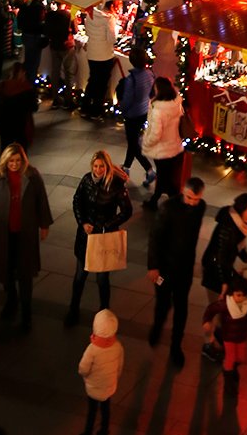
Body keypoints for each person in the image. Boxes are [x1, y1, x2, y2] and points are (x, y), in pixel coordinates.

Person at [0, 143, 54, 331]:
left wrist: (44, 225)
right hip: (3, 233)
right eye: (11, 161)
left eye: (18, 160)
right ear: (5, 161)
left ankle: (26, 311)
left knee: (25, 273)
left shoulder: (33, 177)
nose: (14, 164)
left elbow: (41, 200)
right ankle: (11, 302)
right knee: (6, 269)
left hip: (25, 233)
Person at [66, 151, 133, 326]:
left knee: (102, 279)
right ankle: (73, 309)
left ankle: (104, 313)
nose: (98, 170)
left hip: (104, 237)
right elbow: (77, 201)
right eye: (95, 166)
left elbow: (127, 211)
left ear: (107, 166)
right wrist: (82, 223)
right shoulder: (87, 180)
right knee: (80, 275)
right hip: (86, 236)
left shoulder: (116, 185)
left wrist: (105, 225)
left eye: (101, 166)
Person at [146, 176, 207, 368]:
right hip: (165, 268)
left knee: (181, 307)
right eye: (189, 198)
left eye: (196, 199)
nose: (192, 203)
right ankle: (157, 327)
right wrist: (153, 266)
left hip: (185, 269)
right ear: (183, 190)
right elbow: (155, 237)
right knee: (163, 303)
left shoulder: (200, 207)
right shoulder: (168, 209)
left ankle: (175, 347)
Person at [77, 310, 124, 435]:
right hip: (109, 386)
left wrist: (85, 376)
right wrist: (115, 378)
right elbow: (119, 366)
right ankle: (103, 433)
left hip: (94, 387)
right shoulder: (117, 347)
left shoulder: (92, 349)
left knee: (92, 412)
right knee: (106, 410)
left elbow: (83, 368)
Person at [202, 275, 247, 375]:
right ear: (231, 294)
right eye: (238, 295)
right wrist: (207, 320)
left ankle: (233, 367)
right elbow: (211, 309)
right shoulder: (225, 304)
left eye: (244, 295)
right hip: (228, 336)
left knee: (240, 356)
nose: (241, 298)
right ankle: (228, 374)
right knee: (230, 357)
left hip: (242, 335)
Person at [201, 193, 247, 302]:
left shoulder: (240, 224)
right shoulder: (228, 227)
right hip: (214, 268)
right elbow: (220, 256)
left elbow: (238, 245)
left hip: (222, 267)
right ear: (241, 211)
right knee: (218, 304)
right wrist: (224, 282)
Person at [141, 76, 185, 208]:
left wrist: (146, 142)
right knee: (165, 176)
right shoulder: (176, 102)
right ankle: (157, 199)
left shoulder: (157, 110)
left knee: (164, 177)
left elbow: (155, 134)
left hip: (162, 150)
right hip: (174, 145)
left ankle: (170, 203)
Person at [117, 46, 156, 184]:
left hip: (132, 114)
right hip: (143, 112)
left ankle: (149, 170)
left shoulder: (130, 80)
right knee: (133, 142)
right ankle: (126, 167)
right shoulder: (150, 74)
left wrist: (123, 109)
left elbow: (127, 100)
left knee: (133, 143)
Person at [79, 1, 118, 120]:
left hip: (92, 53)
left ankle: (85, 107)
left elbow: (87, 31)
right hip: (105, 55)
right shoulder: (108, 19)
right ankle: (96, 111)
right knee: (101, 84)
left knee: (92, 80)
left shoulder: (89, 15)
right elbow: (112, 39)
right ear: (111, 6)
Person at [0, 61, 38, 152]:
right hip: (21, 126)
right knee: (20, 151)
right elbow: (34, 107)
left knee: (5, 150)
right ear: (23, 73)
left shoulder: (2, 86)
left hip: (4, 126)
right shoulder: (26, 88)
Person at [17, 0, 47, 84]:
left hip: (26, 35)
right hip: (35, 36)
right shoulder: (39, 7)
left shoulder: (24, 6)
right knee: (34, 63)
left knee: (28, 61)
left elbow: (20, 22)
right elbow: (41, 23)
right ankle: (30, 85)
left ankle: (25, 83)